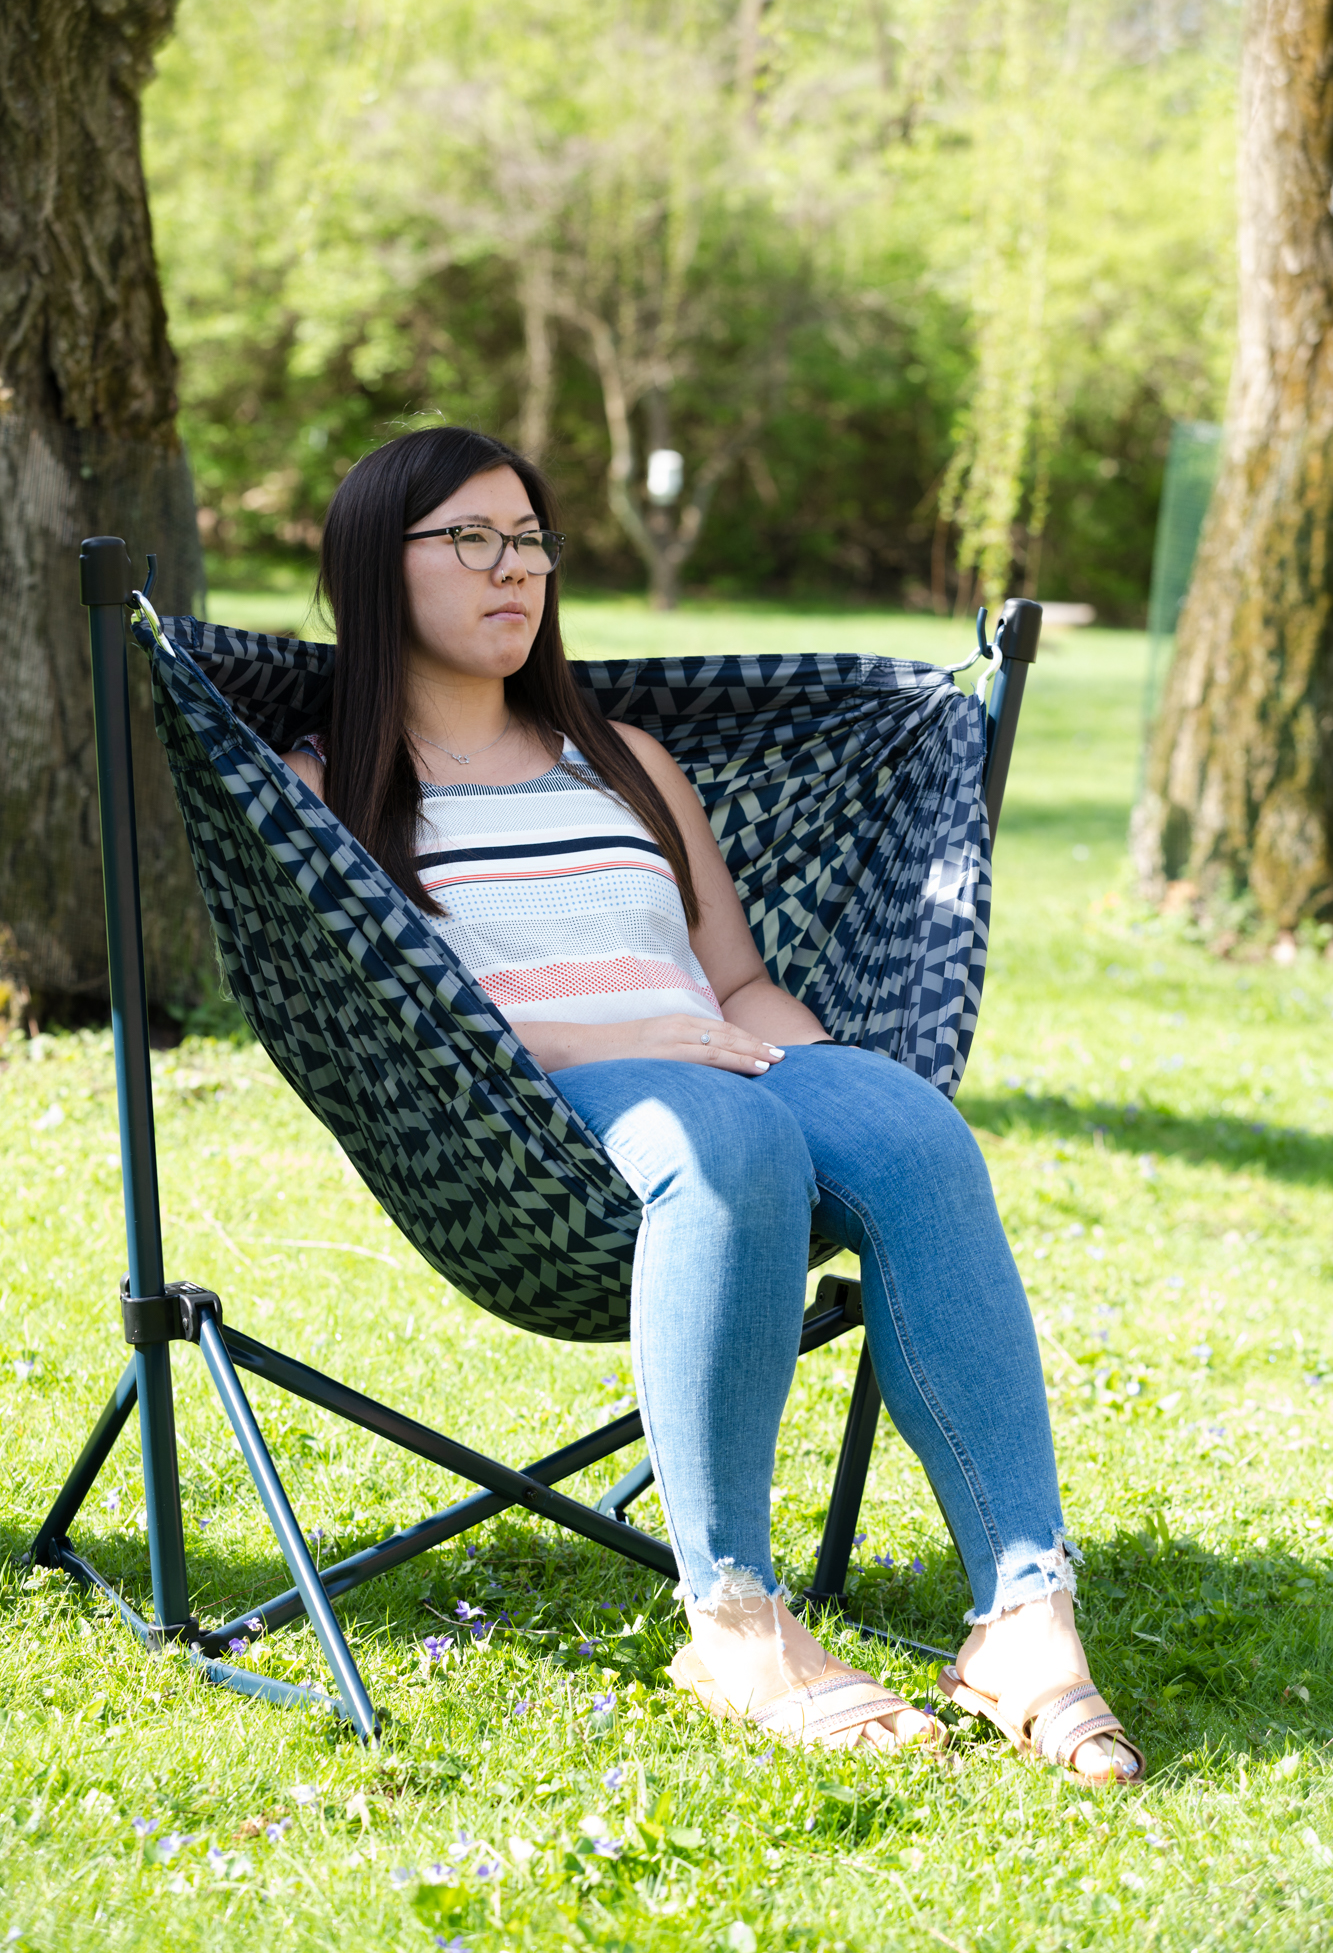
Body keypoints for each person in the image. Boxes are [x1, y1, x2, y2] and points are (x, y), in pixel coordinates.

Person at [282, 425, 1143, 1780]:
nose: (517, 572)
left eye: (532, 543)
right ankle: (735, 1621)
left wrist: (824, 1085)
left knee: (915, 1132)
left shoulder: (621, 759)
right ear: (374, 569)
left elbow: (734, 986)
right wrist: (657, 1035)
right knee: (727, 1127)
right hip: (532, 1125)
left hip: (713, 1066)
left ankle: (1025, 1614)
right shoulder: (330, 790)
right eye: (472, 540)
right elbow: (413, 1020)